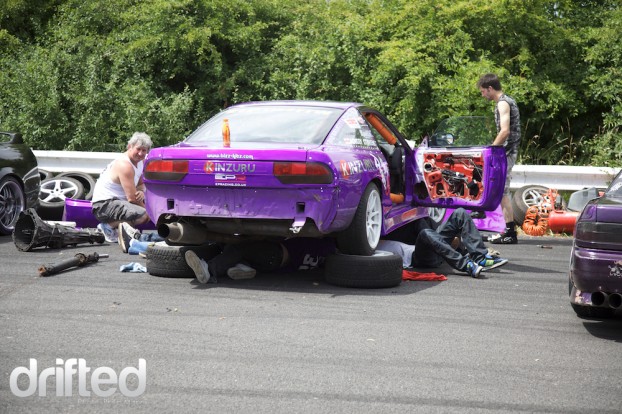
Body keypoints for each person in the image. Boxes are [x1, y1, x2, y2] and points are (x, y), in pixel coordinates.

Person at [380, 208, 508, 278]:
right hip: (419, 258)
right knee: (425, 233)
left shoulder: (383, 230)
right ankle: (466, 265)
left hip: (431, 245)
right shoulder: (366, 247)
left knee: (460, 213)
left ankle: (480, 257)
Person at [477, 73, 522, 244]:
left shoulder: (503, 103)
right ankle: (507, 229)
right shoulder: (508, 100)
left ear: (490, 88)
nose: (483, 95)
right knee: (501, 189)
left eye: (483, 92)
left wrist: (492, 150)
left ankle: (509, 232)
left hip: (506, 152)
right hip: (509, 151)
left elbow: (505, 131)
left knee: (503, 190)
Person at [185, 238, 337, 284]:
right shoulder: (323, 256)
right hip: (272, 266)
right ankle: (243, 267)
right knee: (242, 252)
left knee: (237, 247)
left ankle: (209, 270)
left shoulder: (319, 243)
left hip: (274, 254)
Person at [91, 132, 153, 242]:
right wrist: (149, 211)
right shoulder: (125, 165)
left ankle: (119, 229)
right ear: (130, 146)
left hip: (118, 201)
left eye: (144, 150)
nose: (140, 153)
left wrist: (141, 192)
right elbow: (132, 198)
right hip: (104, 205)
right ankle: (107, 227)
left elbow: (140, 184)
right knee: (144, 215)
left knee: (145, 213)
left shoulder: (141, 162)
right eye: (138, 149)